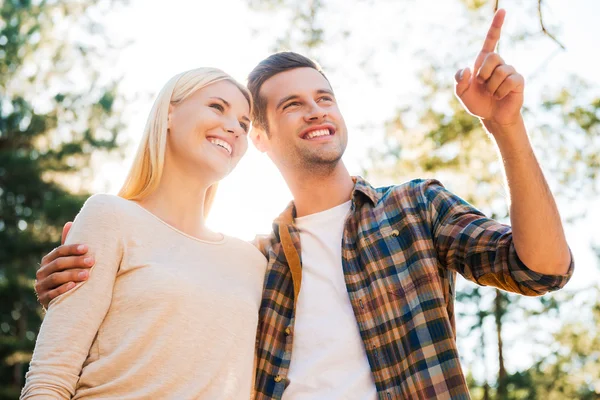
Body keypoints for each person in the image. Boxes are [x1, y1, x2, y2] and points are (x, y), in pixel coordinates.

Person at [33, 10, 573, 399]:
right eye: (292, 104)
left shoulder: (415, 209)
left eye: (325, 97)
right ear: (261, 139)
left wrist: (506, 128)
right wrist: (74, 280)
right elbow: (165, 311)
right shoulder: (261, 260)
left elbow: (541, 269)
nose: (316, 110)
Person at [21, 68, 267, 399]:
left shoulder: (252, 262)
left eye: (244, 123)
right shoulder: (109, 217)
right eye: (217, 107)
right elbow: (50, 377)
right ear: (169, 113)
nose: (234, 128)